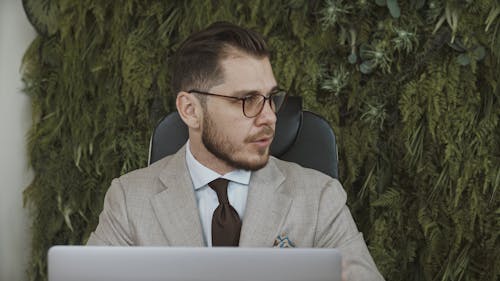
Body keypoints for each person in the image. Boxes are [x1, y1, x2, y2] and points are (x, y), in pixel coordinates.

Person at [87, 21, 384, 281]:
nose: (270, 116)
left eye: (271, 98)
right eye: (247, 99)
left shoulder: (319, 198)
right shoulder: (129, 200)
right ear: (190, 111)